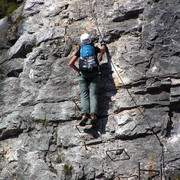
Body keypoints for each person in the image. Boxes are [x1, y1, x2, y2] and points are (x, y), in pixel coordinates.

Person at [68, 33, 106, 126]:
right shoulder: (94, 49)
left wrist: (78, 71)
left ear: (81, 42)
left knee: (84, 95)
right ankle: (93, 115)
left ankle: (84, 115)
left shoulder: (80, 50)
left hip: (83, 75)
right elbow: (102, 50)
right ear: (90, 40)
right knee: (93, 95)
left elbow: (70, 63)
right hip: (94, 74)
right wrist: (103, 44)